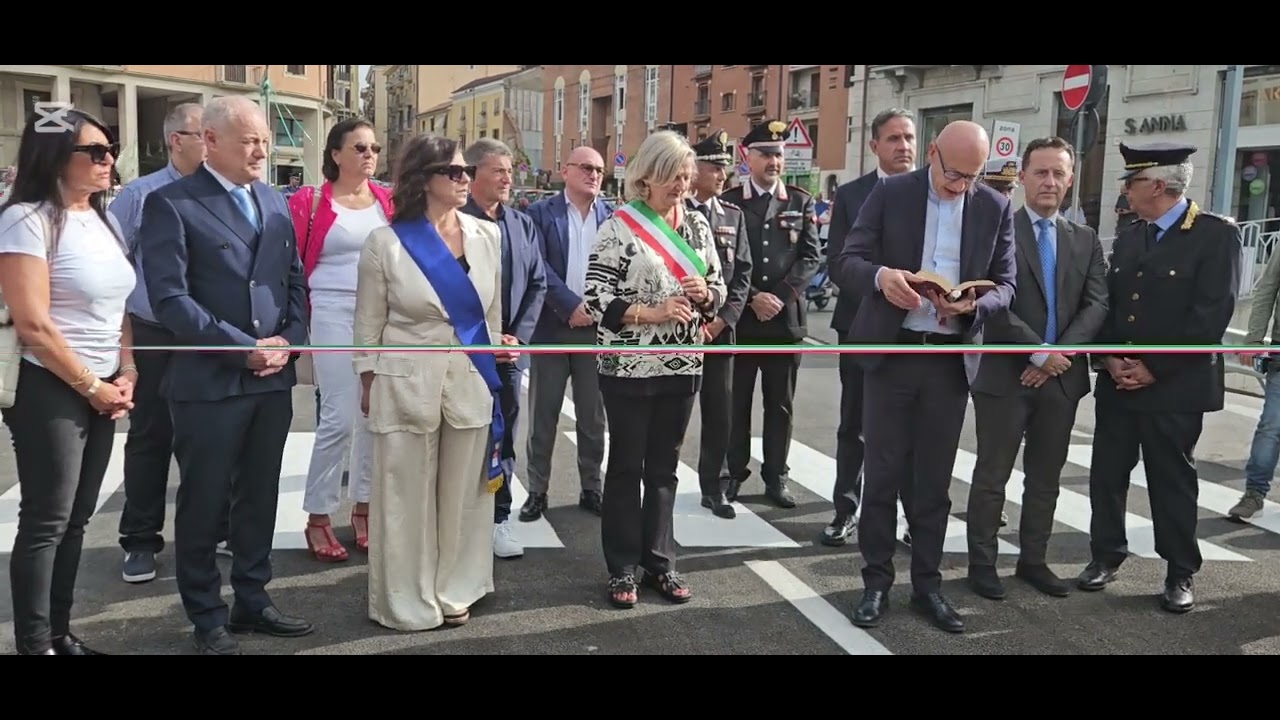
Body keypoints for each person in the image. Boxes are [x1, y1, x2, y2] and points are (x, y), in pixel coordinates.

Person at [140, 95, 313, 655]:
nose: (262, 150)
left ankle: (253, 600)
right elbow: (171, 300)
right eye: (249, 140)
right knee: (205, 500)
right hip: (210, 382)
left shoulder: (273, 200)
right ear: (210, 141)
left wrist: (289, 340)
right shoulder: (172, 203)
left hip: (272, 379)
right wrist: (244, 350)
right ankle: (206, 613)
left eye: (264, 139)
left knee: (260, 496)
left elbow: (293, 282)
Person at [836, 120, 1016, 634]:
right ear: (932, 153)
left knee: (934, 481)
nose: (960, 186)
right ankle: (875, 584)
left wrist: (972, 303)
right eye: (953, 174)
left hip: (948, 359)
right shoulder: (892, 193)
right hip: (893, 353)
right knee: (883, 473)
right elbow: (846, 261)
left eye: (971, 177)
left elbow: (1008, 286)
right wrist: (881, 277)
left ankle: (928, 587)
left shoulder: (994, 206)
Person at [354, 135, 517, 631]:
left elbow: (489, 314)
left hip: (469, 379)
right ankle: (404, 598)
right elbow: (366, 325)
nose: (465, 179)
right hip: (405, 380)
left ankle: (456, 589)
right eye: (455, 172)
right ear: (425, 178)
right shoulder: (386, 242)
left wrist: (497, 350)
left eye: (467, 171)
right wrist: (367, 380)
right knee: (404, 497)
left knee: (467, 494)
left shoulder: (487, 237)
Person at [1079, 141, 1242, 614]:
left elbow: (1210, 317)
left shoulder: (1214, 235)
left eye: (1130, 182)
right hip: (1119, 383)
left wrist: (1154, 367)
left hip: (1174, 386)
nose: (1125, 192)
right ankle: (1105, 554)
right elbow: (1111, 306)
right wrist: (1108, 359)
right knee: (1107, 474)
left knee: (1171, 480)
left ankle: (1179, 570)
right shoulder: (1132, 234)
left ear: (1155, 185)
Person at [0, 110, 135, 655]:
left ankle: (60, 634)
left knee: (78, 518)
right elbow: (31, 323)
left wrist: (126, 371)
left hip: (103, 381)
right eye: (96, 152)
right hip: (48, 384)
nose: (109, 162)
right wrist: (91, 385)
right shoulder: (25, 219)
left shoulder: (104, 218)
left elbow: (122, 303)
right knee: (47, 519)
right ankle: (35, 645)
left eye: (111, 151)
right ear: (57, 159)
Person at [583, 130, 726, 608]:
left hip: (682, 363)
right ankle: (623, 567)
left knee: (664, 469)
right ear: (647, 177)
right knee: (626, 466)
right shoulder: (618, 227)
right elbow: (596, 297)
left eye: (687, 176)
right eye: (673, 177)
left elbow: (718, 287)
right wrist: (654, 311)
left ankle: (660, 562)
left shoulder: (698, 227)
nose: (682, 185)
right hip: (627, 364)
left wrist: (706, 297)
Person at [964, 136, 1108, 600]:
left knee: (1045, 480)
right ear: (1022, 176)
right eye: (1040, 172)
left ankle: (1034, 561)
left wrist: (1053, 358)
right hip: (1004, 376)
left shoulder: (1085, 240)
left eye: (1058, 173)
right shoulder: (996, 231)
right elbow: (990, 300)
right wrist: (1036, 352)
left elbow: (1097, 303)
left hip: (1061, 381)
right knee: (991, 478)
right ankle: (982, 565)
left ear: (1069, 181)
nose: (1049, 181)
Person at [110, 103, 221, 584]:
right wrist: (125, 355)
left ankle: (216, 530)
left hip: (209, 333)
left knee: (213, 438)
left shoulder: (225, 193)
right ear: (178, 140)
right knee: (151, 439)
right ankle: (139, 540)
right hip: (155, 332)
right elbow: (113, 276)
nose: (213, 145)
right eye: (205, 135)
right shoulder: (138, 197)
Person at [288, 118, 393, 563]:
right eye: (359, 148)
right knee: (339, 418)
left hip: (382, 316)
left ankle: (365, 508)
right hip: (331, 310)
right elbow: (290, 263)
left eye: (373, 148)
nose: (369, 155)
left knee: (376, 414)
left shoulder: (388, 200)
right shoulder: (309, 201)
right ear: (335, 154)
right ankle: (318, 515)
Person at [825, 107, 918, 546]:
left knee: (913, 426)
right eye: (894, 138)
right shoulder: (851, 195)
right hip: (862, 324)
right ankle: (846, 508)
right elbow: (839, 264)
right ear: (874, 145)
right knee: (855, 422)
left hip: (921, 327)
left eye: (909, 138)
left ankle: (909, 515)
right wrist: (882, 294)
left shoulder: (933, 192)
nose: (903, 146)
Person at [719, 119, 820, 508]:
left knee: (780, 404)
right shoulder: (731, 201)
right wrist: (752, 299)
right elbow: (723, 262)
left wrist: (777, 296)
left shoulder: (800, 200)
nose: (774, 161)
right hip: (743, 322)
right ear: (748, 157)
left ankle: (776, 475)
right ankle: (735, 472)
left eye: (779, 154)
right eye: (766, 154)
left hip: (783, 323)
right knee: (737, 402)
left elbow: (810, 256)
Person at [460, 137, 548, 559]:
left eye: (510, 170)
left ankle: (499, 517)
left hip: (510, 353)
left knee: (504, 438)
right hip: (465, 354)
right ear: (474, 174)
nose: (508, 178)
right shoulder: (452, 222)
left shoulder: (521, 223)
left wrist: (518, 337)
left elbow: (537, 282)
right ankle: (459, 520)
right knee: (462, 437)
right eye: (498, 170)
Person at [522, 147, 612, 521]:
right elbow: (537, 264)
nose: (593, 175)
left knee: (593, 418)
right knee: (543, 415)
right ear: (566, 170)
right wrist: (569, 305)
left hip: (596, 331)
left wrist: (595, 308)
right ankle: (537, 491)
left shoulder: (613, 216)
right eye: (586, 168)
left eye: (599, 170)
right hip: (553, 327)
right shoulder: (541, 213)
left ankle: (591, 487)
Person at [687, 130, 752, 519]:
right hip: (679, 330)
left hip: (718, 332)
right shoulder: (674, 213)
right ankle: (661, 482)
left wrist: (723, 320)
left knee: (719, 411)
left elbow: (741, 273)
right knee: (671, 412)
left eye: (724, 169)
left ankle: (715, 486)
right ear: (694, 169)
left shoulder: (733, 215)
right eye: (714, 168)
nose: (721, 176)